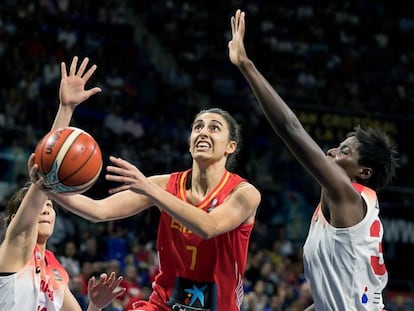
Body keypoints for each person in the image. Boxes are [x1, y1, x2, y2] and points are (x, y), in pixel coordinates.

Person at [40, 61, 261, 310]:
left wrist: (150, 190)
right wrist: (65, 112)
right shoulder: (163, 185)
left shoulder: (244, 194)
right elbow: (97, 211)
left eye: (214, 128)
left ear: (230, 147)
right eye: (197, 127)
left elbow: (209, 227)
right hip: (162, 305)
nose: (203, 133)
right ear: (189, 142)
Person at [228, 9, 399, 311]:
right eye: (336, 147)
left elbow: (291, 129)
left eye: (345, 151)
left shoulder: (349, 196)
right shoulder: (338, 213)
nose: (331, 152)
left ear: (363, 171)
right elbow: (328, 302)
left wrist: (246, 65)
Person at [0, 56, 126, 310]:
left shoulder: (54, 268)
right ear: (12, 220)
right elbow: (47, 175)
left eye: (50, 207)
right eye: (39, 206)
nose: (46, 209)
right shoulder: (12, 251)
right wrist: (65, 110)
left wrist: (95, 305)